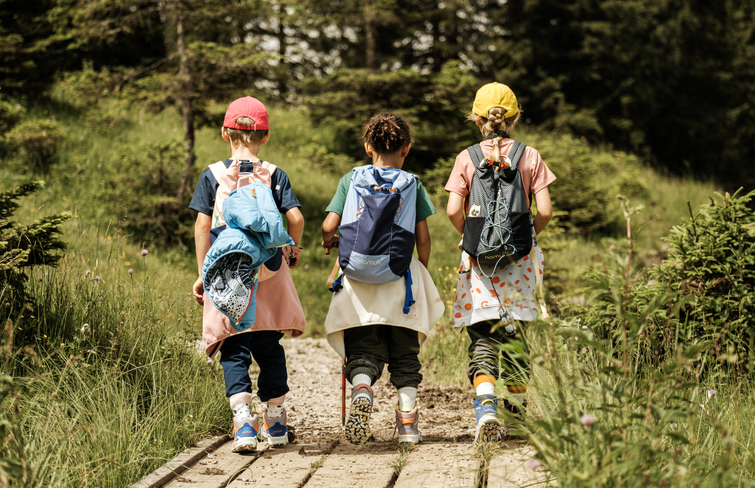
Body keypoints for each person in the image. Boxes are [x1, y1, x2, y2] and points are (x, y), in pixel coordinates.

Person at [189, 96, 306, 452]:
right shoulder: (274, 174)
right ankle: (275, 420)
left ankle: (243, 423)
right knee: (270, 346)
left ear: (226, 132)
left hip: (228, 272)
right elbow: (296, 219)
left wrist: (202, 273)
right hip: (269, 270)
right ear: (265, 136)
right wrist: (292, 249)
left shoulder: (212, 174)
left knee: (235, 346)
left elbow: (201, 226)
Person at [321, 113, 445, 444]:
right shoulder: (412, 183)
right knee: (405, 354)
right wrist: (422, 269)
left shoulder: (351, 179)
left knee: (363, 347)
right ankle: (407, 425)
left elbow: (329, 226)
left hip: (358, 279)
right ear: (406, 149)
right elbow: (423, 237)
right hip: (400, 276)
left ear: (367, 147)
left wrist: (328, 242)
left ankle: (362, 391)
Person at [444, 82, 556, 440]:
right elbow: (546, 210)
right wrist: (529, 236)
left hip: (480, 265)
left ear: (476, 118)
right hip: (519, 263)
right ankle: (518, 416)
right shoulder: (530, 155)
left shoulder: (466, 157)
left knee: (482, 335)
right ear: (515, 116)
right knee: (516, 336)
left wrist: (472, 239)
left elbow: (451, 210)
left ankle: (486, 407)